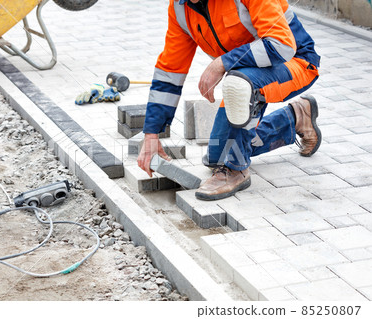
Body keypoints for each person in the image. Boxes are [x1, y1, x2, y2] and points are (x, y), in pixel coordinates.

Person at [137, 0, 321, 201]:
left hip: (295, 62)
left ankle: (236, 170)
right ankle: (294, 118)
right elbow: (170, 72)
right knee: (217, 157)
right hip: (244, 76)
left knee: (238, 87)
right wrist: (151, 133)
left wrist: (222, 63)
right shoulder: (180, 9)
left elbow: (282, 45)